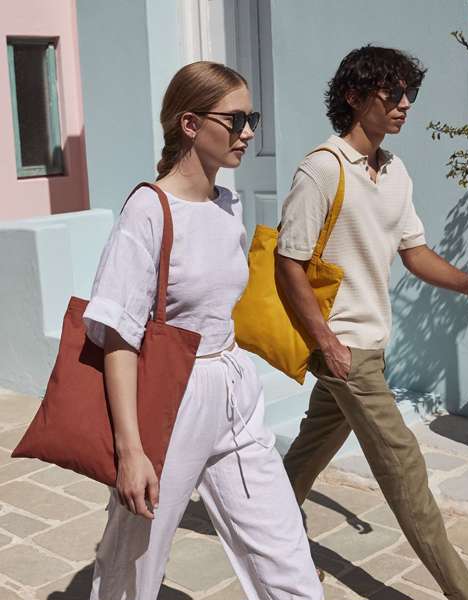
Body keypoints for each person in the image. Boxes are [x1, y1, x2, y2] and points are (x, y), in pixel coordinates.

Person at [83, 61, 324, 600]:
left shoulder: (228, 205)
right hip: (172, 398)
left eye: (252, 119)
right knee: (135, 560)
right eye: (236, 120)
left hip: (235, 387)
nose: (249, 132)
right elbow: (118, 335)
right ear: (190, 124)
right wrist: (130, 451)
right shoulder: (148, 209)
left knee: (284, 552)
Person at [276, 46, 468, 600]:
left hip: (369, 345)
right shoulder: (322, 168)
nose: (405, 104)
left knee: (308, 452)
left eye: (409, 93)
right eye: (393, 93)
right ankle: (464, 593)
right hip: (344, 347)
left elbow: (413, 251)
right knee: (404, 465)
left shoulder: (394, 170)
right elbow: (288, 263)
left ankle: (265, 533)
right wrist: (326, 342)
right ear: (355, 97)